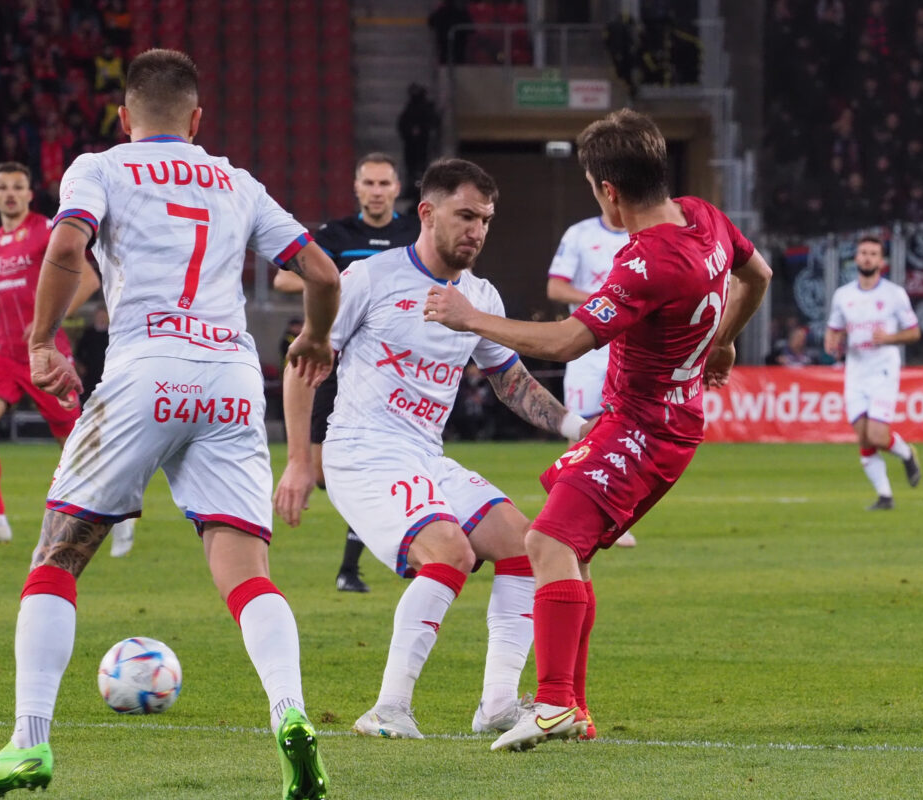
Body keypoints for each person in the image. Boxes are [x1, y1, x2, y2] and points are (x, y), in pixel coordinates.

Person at [0, 49, 337, 800]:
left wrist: (39, 343)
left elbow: (67, 247)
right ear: (198, 120)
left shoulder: (99, 167)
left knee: (56, 558)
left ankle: (28, 742)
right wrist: (315, 337)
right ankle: (291, 713)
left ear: (125, 117)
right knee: (246, 573)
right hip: (232, 382)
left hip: (145, 369)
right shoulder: (237, 180)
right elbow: (323, 274)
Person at [422, 109, 773, 751]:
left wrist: (472, 318)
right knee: (569, 553)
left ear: (607, 191)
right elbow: (759, 276)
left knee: (547, 540)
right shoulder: (706, 217)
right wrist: (721, 342)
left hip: (645, 427)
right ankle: (574, 708)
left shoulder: (646, 264)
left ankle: (553, 705)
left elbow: (563, 342)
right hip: (660, 418)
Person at [275, 158, 594, 741]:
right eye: (466, 215)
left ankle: (497, 706)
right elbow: (303, 363)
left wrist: (577, 427)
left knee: (525, 545)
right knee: (450, 552)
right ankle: (389, 708)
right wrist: (300, 459)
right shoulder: (370, 279)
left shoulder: (478, 295)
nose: (477, 230)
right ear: (427, 212)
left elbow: (510, 381)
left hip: (424, 454)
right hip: (362, 452)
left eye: (487, 220)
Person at [274, 152, 420, 593]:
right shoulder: (335, 235)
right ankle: (377, 548)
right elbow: (283, 280)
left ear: (397, 189)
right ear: (357, 188)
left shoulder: (412, 234)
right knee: (323, 474)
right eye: (369, 184)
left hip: (387, 363)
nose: (377, 192)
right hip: (331, 354)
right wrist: (339, 282)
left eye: (384, 184)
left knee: (385, 458)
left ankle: (355, 566)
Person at [0, 161, 106, 549]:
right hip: (4, 352)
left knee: (72, 442)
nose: (10, 193)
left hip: (46, 353)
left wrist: (52, 321)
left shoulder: (45, 230)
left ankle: (112, 508)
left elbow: (89, 280)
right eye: (3, 187)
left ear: (29, 194)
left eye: (17, 186)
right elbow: (20, 295)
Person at [546, 207, 637, 547]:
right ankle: (566, 515)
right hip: (586, 348)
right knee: (581, 431)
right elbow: (556, 288)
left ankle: (613, 518)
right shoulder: (579, 234)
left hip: (629, 348)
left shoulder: (644, 235)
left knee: (623, 433)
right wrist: (603, 300)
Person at [824, 236, 922, 510]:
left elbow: (914, 332)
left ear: (881, 261)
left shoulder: (894, 294)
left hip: (883, 371)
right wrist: (832, 342)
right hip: (855, 372)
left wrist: (889, 338)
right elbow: (833, 330)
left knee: (878, 436)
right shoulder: (843, 295)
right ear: (856, 258)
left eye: (873, 254)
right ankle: (885, 497)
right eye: (863, 253)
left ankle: (906, 453)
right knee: (864, 437)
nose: (867, 258)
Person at [72, 307, 109, 404]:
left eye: (103, 316)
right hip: (90, 372)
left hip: (107, 370)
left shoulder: (111, 333)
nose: (101, 318)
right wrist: (80, 366)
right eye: (99, 316)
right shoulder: (88, 333)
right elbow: (78, 351)